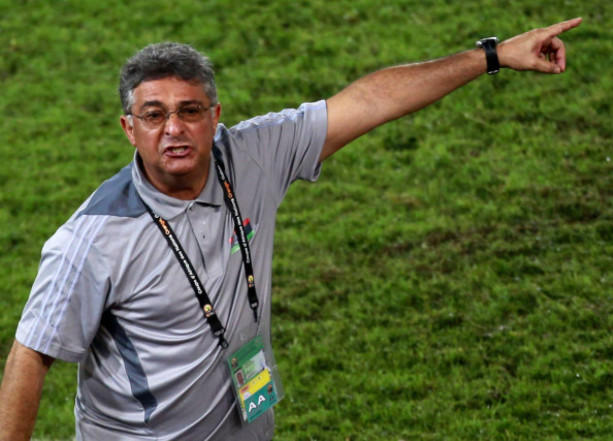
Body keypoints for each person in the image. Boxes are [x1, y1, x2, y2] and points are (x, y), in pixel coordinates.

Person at [0, 17, 582, 440]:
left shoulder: (253, 154)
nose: (173, 129)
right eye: (154, 115)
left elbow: (370, 102)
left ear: (215, 117)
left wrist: (492, 56)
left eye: (190, 110)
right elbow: (30, 356)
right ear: (130, 129)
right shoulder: (93, 238)